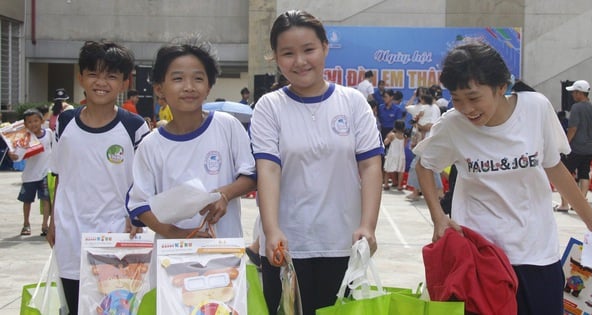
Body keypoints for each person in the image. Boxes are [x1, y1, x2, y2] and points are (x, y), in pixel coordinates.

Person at [414, 41, 592, 315]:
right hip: (481, 257)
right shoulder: (453, 125)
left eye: (474, 97)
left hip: (537, 253)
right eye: (457, 99)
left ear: (501, 87)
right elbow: (424, 165)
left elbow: (554, 168)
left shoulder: (535, 109)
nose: (466, 108)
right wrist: (438, 217)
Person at [250, 10, 384, 315]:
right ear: (276, 58)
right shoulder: (270, 107)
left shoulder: (352, 103)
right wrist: (271, 230)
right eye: (288, 53)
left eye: (308, 50)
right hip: (285, 248)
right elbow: (268, 169)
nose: (299, 61)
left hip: (341, 243)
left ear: (325, 47)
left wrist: (368, 224)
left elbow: (370, 166)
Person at [47, 40, 150, 315]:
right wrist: (53, 220)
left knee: (113, 309)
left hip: (117, 240)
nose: (101, 82)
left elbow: (146, 182)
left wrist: (137, 217)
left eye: (111, 76)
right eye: (93, 73)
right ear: (80, 76)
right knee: (73, 305)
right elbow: (59, 174)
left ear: (124, 82)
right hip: (70, 237)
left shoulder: (134, 127)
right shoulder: (65, 122)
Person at [126, 37, 256, 241]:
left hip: (223, 254)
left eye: (198, 78)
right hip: (171, 259)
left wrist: (225, 194)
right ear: (160, 89)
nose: (189, 87)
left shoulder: (227, 126)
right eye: (178, 79)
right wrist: (180, 236)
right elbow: (140, 205)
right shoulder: (150, 145)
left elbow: (251, 176)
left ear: (209, 87)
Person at [7, 109, 52, 236]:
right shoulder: (24, 139)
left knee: (46, 199)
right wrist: (12, 155)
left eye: (36, 121)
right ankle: (26, 224)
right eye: (30, 122)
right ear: (25, 124)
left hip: (45, 173)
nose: (33, 124)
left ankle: (45, 225)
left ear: (42, 121)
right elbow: (17, 156)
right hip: (30, 176)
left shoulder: (49, 133)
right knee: (27, 201)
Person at [556, 80, 592, 212]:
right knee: (584, 174)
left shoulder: (576, 108)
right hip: (588, 148)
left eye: (574, 92)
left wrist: (565, 144)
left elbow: (573, 128)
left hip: (575, 147)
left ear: (580, 93)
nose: (573, 95)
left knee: (565, 174)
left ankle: (564, 204)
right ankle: (579, 204)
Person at [383, 119, 407, 191]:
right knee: (400, 170)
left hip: (392, 154)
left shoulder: (392, 135)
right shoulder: (404, 136)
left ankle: (386, 184)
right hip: (401, 155)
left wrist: (388, 135)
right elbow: (404, 145)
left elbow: (385, 143)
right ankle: (399, 185)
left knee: (387, 169)